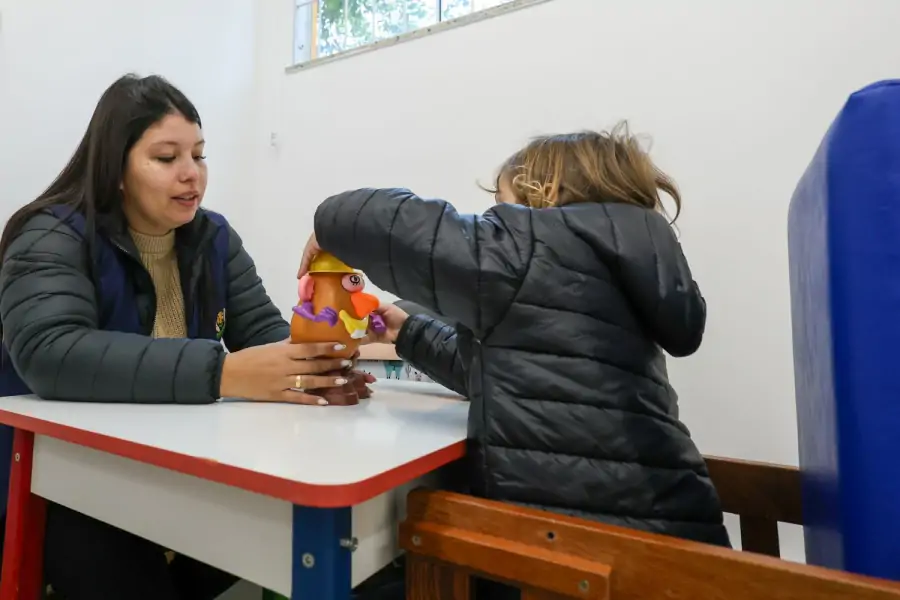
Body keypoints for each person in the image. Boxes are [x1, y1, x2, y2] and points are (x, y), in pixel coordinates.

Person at [301, 124, 730, 598]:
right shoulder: (615, 262)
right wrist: (406, 331)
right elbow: (502, 373)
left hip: (586, 561)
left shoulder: (530, 244)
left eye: (501, 207)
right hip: (671, 543)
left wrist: (328, 224)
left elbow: (384, 221)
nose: (495, 222)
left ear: (541, 195)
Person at [0, 74, 365, 599]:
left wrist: (331, 356)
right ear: (116, 170)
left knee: (290, 534)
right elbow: (50, 354)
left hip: (169, 470)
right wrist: (222, 372)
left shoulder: (213, 237)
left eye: (199, 154)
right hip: (64, 479)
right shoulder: (51, 234)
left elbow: (265, 336)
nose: (192, 173)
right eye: (166, 157)